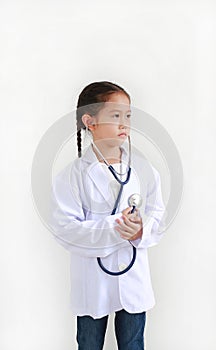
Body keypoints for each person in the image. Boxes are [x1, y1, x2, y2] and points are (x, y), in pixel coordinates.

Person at [49, 81, 166, 350]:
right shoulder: (72, 176)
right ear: (90, 121)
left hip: (132, 275)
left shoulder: (144, 170)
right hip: (93, 281)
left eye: (128, 116)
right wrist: (115, 226)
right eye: (115, 116)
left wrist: (140, 231)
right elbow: (65, 229)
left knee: (133, 342)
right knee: (89, 343)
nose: (124, 123)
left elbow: (157, 214)